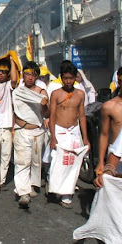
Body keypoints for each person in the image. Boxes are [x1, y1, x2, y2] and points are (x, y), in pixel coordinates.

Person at [48, 60, 90, 208]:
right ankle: (56, 188)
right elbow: (52, 116)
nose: (68, 81)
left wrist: (85, 138)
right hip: (59, 131)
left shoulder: (79, 94)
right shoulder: (55, 94)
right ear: (61, 77)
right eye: (65, 78)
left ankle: (67, 193)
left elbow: (82, 116)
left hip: (73, 131)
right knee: (57, 162)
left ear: (75, 77)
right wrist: (53, 137)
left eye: (71, 78)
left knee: (72, 162)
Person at [12, 61, 49, 208]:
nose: (30, 78)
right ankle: (23, 192)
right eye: (27, 74)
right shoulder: (18, 92)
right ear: (23, 75)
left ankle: (32, 184)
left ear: (36, 77)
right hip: (21, 130)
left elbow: (47, 113)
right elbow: (13, 111)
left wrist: (44, 105)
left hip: (37, 132)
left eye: (33, 75)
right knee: (22, 161)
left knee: (35, 160)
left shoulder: (41, 93)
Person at [0, 57, 18, 197]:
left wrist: (11, 60)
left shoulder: (8, 86)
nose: (0, 74)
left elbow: (14, 79)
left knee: (5, 157)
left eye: (4, 72)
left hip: (6, 127)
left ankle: (1, 181)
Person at [96, 75, 122, 177]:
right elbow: (104, 134)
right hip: (116, 158)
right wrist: (101, 162)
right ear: (119, 82)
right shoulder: (109, 106)